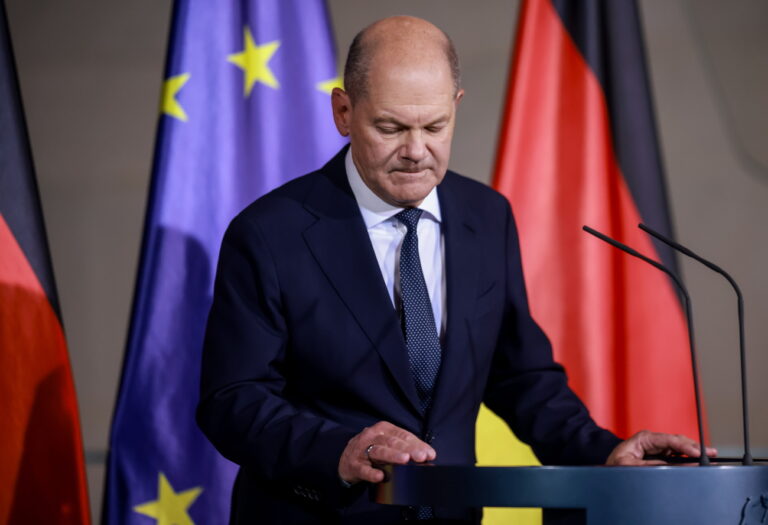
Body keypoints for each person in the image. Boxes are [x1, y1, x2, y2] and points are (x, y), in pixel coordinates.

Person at [197, 15, 715, 524]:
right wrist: (337, 449)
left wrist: (603, 453)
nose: (416, 151)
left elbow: (520, 375)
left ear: (456, 107)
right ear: (343, 111)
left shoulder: (486, 217)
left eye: (435, 126)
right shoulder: (270, 232)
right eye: (391, 127)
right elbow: (231, 399)